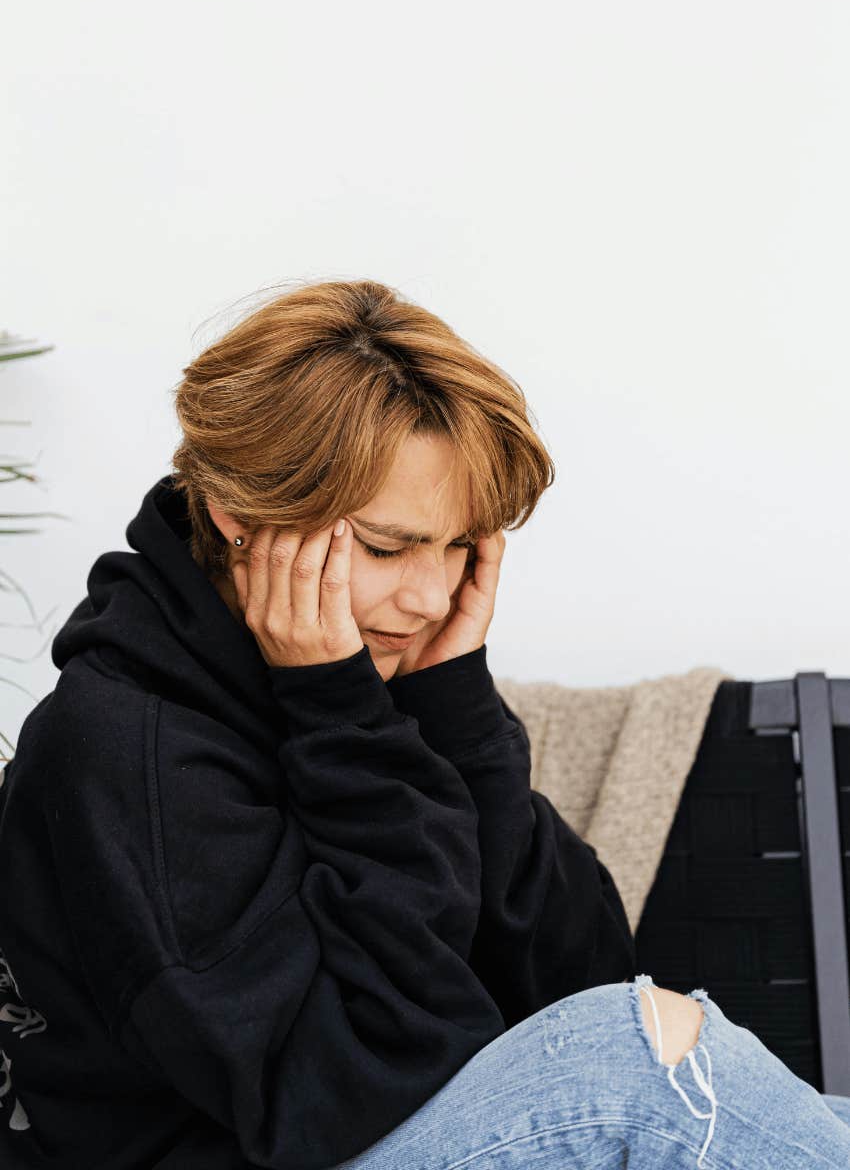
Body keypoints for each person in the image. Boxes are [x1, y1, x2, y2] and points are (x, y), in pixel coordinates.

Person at [1, 279, 849, 1170]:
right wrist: (340, 721)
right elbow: (362, 1086)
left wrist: (457, 712)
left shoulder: (373, 681)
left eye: (458, 546)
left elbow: (584, 973)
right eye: (386, 545)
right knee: (641, 1065)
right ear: (239, 514)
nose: (433, 596)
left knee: (777, 1101)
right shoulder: (125, 745)